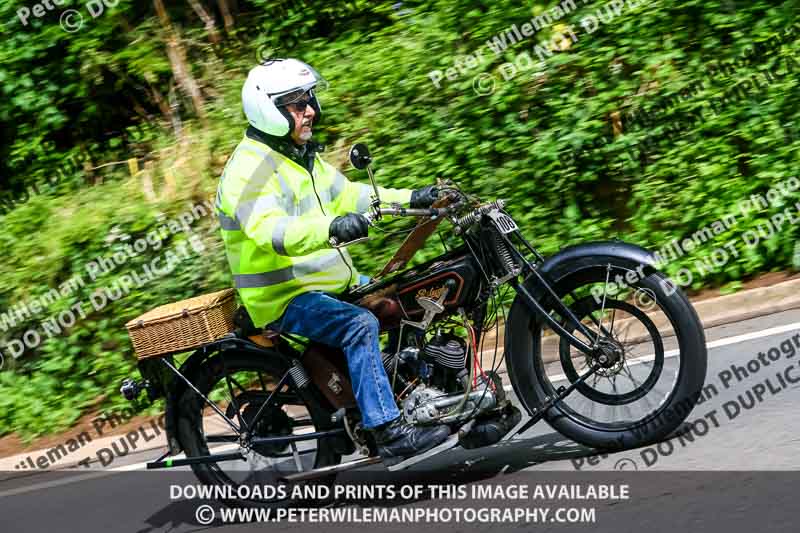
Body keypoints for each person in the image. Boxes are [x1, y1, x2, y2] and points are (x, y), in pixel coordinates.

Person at [215, 58, 450, 459]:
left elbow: (352, 195)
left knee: (408, 295)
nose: (309, 110)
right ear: (266, 109)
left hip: (328, 284)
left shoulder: (299, 155)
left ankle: (419, 392)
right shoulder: (248, 171)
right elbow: (272, 232)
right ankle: (387, 431)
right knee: (359, 324)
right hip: (285, 298)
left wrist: (414, 198)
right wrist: (331, 228)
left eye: (309, 99)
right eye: (295, 103)